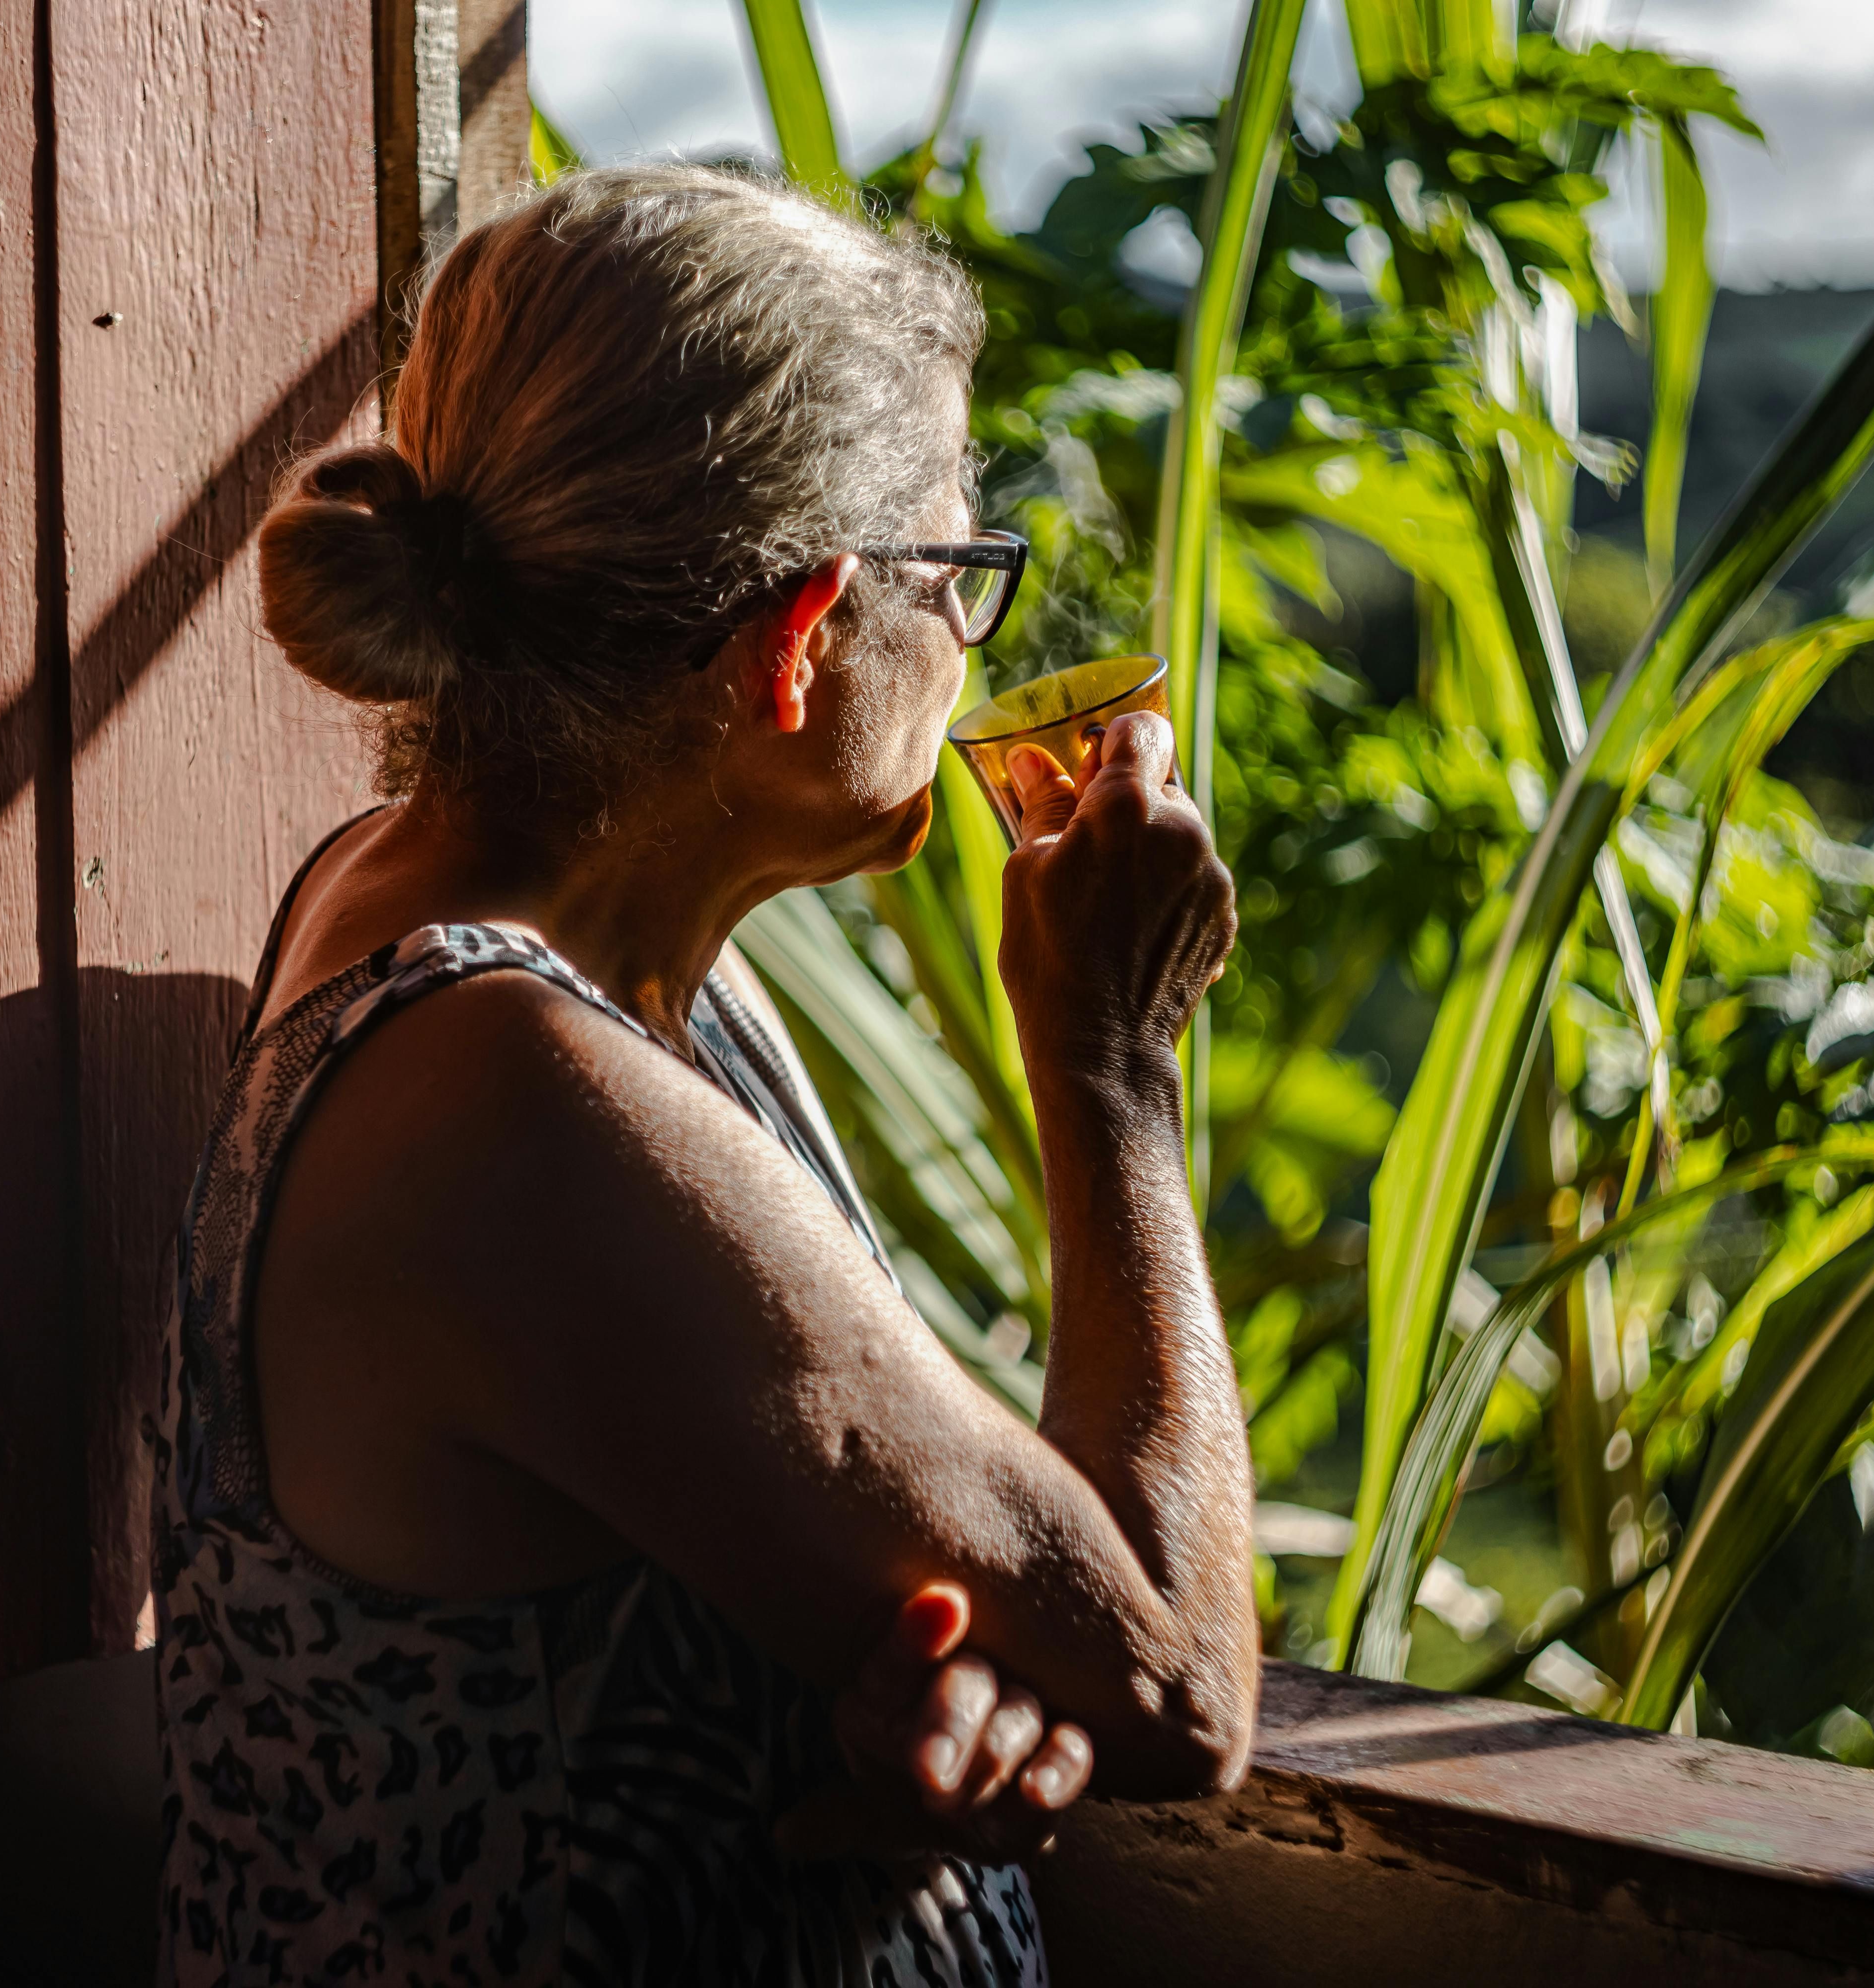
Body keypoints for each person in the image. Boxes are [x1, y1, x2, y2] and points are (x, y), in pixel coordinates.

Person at [156, 163, 1256, 1987]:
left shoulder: (527, 940)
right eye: (955, 575)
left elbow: (730, 1503)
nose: (969, 642)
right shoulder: (507, 1095)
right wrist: (1112, 1064)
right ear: (799, 640)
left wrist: (918, 1668)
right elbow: (1178, 1685)